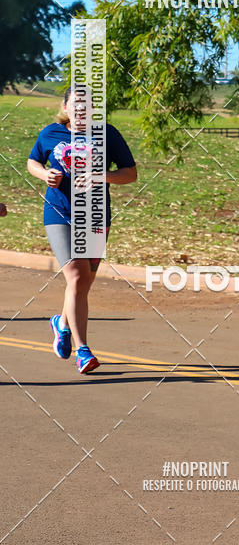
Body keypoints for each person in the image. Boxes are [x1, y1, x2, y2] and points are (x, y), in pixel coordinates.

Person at [27, 87, 137, 374]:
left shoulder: (107, 134)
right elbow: (33, 161)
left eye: (86, 104)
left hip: (95, 215)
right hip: (60, 213)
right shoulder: (50, 133)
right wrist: (45, 174)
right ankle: (83, 351)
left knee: (83, 283)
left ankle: (61, 323)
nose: (80, 109)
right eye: (75, 104)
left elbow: (130, 173)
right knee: (77, 275)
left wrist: (101, 176)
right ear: (65, 107)